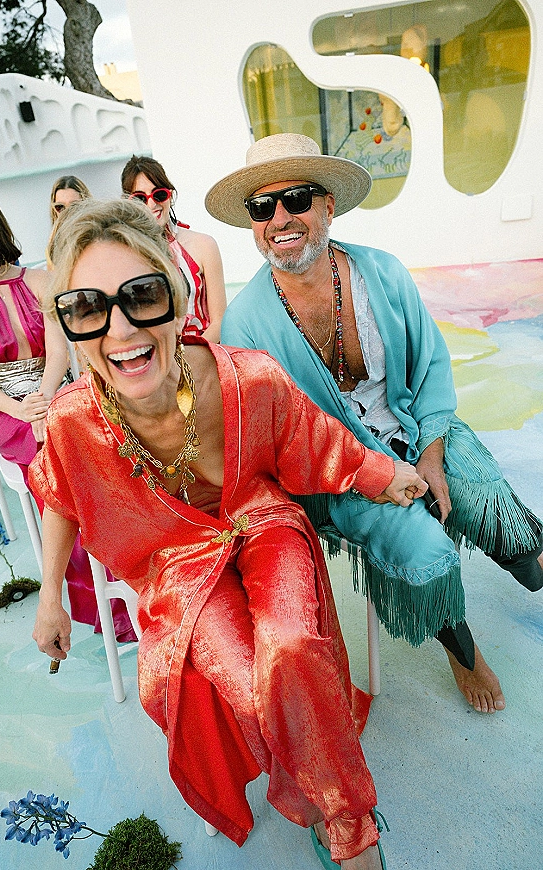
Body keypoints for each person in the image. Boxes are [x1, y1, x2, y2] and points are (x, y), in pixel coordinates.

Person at [31, 198, 428, 869]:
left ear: (178, 296)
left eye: (142, 295)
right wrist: (49, 598)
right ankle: (315, 784)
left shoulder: (246, 377)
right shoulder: (74, 420)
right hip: (176, 563)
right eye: (89, 308)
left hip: (261, 519)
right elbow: (62, 495)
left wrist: (385, 475)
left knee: (295, 646)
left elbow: (317, 439)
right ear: (71, 324)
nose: (120, 328)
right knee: (249, 681)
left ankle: (349, 824)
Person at [208, 133, 543, 715]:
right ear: (253, 224)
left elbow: (432, 363)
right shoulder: (246, 325)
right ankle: (463, 652)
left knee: (481, 494)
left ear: (328, 206)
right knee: (418, 540)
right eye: (263, 207)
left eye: (297, 198)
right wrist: (378, 475)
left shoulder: (381, 274)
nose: (281, 217)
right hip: (337, 471)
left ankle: (533, 569)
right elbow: (281, 441)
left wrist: (431, 455)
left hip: (414, 426)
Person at [0, 186, 133, 642]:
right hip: (5, 409)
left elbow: (59, 350)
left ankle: (132, 572)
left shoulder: (39, 280)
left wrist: (44, 398)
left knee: (89, 442)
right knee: (57, 462)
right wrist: (22, 408)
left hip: (53, 393)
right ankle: (99, 603)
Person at [121, 155, 226, 342]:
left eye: (158, 194)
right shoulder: (126, 257)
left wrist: (189, 362)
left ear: (170, 195)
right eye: (140, 198)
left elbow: (220, 321)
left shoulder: (204, 245)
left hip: (205, 355)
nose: (152, 203)